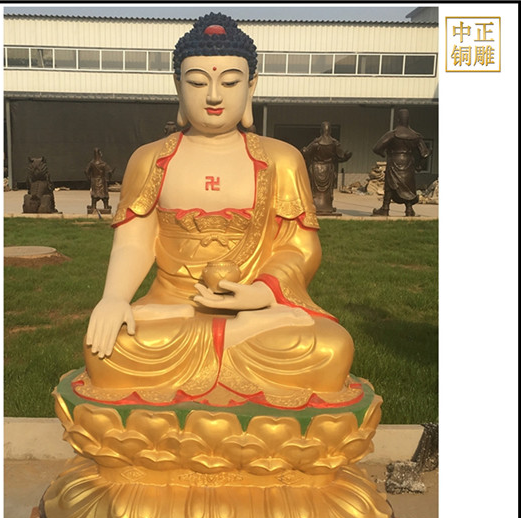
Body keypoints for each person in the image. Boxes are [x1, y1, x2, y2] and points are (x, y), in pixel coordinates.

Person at [82, 13, 355, 408]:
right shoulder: (150, 159)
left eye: (229, 82)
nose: (213, 96)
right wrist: (113, 299)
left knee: (333, 347)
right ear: (177, 85)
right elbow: (134, 243)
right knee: (107, 349)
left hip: (256, 306)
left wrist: (262, 291)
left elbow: (300, 247)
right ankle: (235, 339)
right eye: (197, 82)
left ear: (251, 85)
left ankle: (249, 329)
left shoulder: (281, 160)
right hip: (174, 306)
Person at [371, 108, 431, 217]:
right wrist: (419, 165)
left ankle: (385, 208)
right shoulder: (416, 136)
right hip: (409, 163)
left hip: (394, 160)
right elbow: (425, 153)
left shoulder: (392, 134)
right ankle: (409, 210)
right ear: (408, 120)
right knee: (408, 185)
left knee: (390, 184)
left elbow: (377, 148)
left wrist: (383, 154)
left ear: (398, 119)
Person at [301, 121, 352, 214]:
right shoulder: (334, 143)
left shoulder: (316, 143)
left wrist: (304, 150)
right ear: (330, 131)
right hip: (328, 168)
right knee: (326, 190)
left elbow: (306, 152)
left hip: (316, 169)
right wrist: (347, 156)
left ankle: (322, 206)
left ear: (321, 130)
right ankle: (325, 206)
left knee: (317, 190)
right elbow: (341, 156)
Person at [85, 147, 114, 212]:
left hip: (95, 181)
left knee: (95, 194)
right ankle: (106, 206)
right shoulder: (103, 163)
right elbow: (110, 172)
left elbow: (86, 171)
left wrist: (89, 179)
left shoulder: (92, 163)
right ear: (99, 154)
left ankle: (93, 206)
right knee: (104, 194)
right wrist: (109, 179)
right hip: (102, 181)